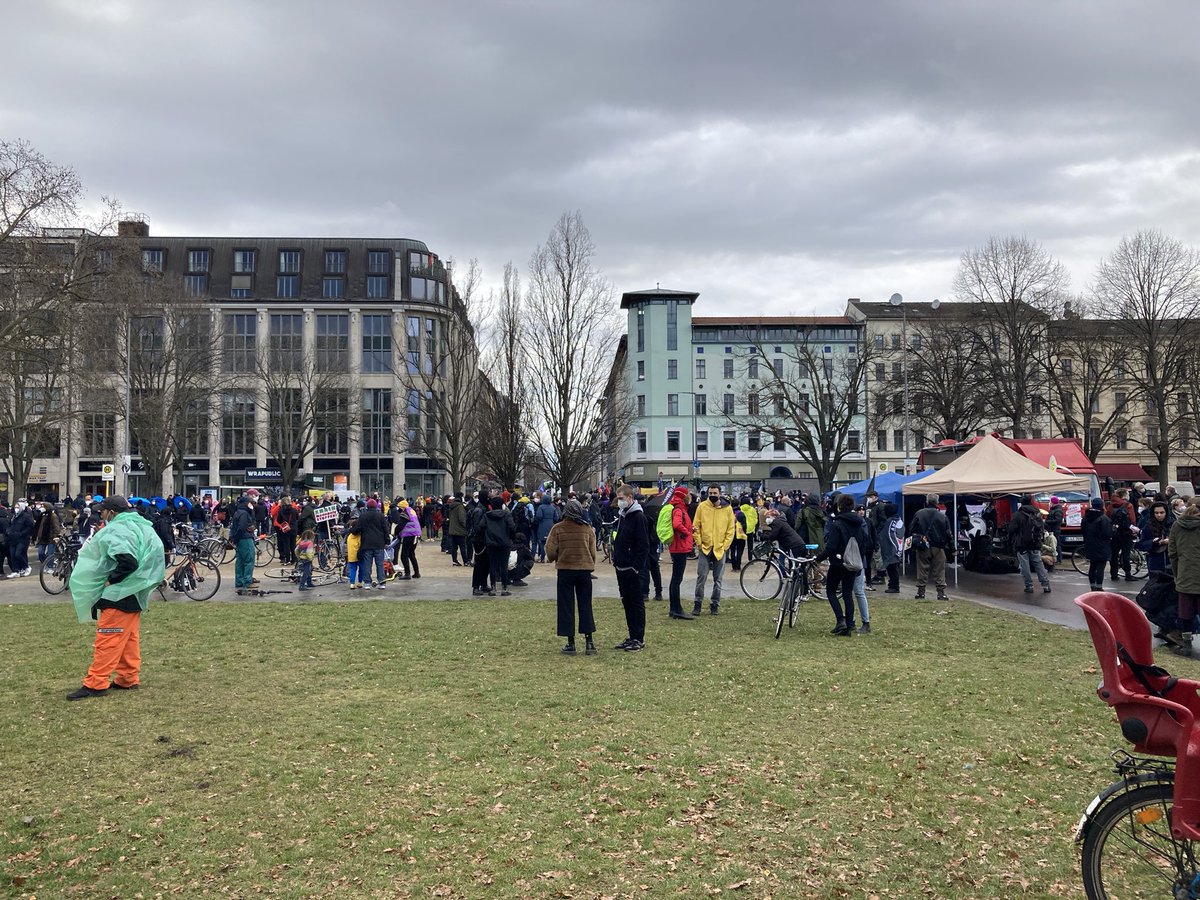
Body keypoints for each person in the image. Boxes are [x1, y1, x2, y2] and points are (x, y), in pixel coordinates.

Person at [65, 495, 166, 700]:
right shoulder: (142, 527)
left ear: (112, 512)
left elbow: (128, 561)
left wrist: (111, 580)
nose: (101, 514)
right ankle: (128, 677)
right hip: (135, 593)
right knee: (128, 638)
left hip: (119, 594)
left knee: (108, 638)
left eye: (103, 511)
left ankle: (96, 683)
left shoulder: (119, 529)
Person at [545, 499, 598, 655]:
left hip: (565, 570)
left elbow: (550, 552)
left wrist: (555, 557)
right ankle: (589, 642)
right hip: (584, 570)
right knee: (585, 605)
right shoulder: (587, 529)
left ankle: (571, 643)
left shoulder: (557, 529)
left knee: (566, 606)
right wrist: (589, 563)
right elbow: (592, 552)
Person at [813, 494, 863, 636]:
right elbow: (864, 542)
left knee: (831, 591)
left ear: (839, 506)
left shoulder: (837, 524)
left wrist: (818, 558)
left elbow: (831, 547)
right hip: (853, 561)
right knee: (848, 594)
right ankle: (849, 625)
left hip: (838, 562)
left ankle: (840, 619)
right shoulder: (859, 523)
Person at [612, 484, 649, 651]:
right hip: (621, 566)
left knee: (636, 602)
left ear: (629, 498)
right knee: (627, 602)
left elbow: (643, 545)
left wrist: (636, 567)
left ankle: (638, 638)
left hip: (632, 568)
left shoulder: (638, 517)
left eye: (621, 498)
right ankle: (632, 634)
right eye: (618, 498)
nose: (619, 502)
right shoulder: (622, 515)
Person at [692, 484, 735, 616]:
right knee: (701, 577)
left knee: (718, 579)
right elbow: (696, 526)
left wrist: (725, 546)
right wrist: (699, 543)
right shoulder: (702, 507)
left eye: (715, 493)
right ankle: (697, 604)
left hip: (720, 549)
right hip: (704, 548)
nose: (712, 495)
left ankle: (714, 604)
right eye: (710, 493)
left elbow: (730, 529)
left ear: (719, 494)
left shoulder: (727, 509)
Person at [1166, 503, 1200, 656]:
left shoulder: (1176, 525)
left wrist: (1177, 574)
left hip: (1185, 575)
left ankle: (1186, 644)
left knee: (1185, 612)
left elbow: (1172, 552)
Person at [909, 493, 950, 601]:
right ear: (937, 502)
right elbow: (948, 533)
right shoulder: (942, 516)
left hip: (923, 544)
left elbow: (912, 529)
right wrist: (953, 547)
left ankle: (921, 592)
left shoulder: (919, 513)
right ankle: (941, 593)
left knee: (922, 568)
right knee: (939, 570)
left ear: (927, 501)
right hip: (938, 546)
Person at [1008, 495, 1051, 595]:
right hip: (1035, 543)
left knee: (1025, 566)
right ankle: (1046, 585)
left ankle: (1029, 586)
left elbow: (1011, 529)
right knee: (1038, 563)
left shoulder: (1017, 514)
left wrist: (1010, 541)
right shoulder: (1037, 513)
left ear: (1021, 503)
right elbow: (1041, 527)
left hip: (1021, 543)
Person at [665, 486, 695, 620]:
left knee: (676, 579)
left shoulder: (678, 507)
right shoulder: (679, 509)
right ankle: (676, 609)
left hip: (678, 546)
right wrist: (687, 532)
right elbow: (677, 525)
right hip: (679, 547)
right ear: (683, 496)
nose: (690, 496)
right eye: (688, 494)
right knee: (677, 579)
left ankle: (674, 608)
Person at [350, 499, 390, 588]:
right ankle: (382, 582)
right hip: (379, 543)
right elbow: (385, 529)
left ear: (367, 506)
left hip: (366, 543)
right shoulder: (380, 516)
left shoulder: (363, 516)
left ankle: (367, 583)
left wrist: (351, 530)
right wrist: (387, 541)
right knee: (380, 564)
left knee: (367, 564)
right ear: (376, 506)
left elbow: (357, 529)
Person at [484, 496, 516, 596]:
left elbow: (481, 526)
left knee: (492, 566)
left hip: (491, 543)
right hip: (504, 542)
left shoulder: (487, 515)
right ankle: (504, 588)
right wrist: (511, 537)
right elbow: (512, 527)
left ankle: (493, 588)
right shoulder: (507, 515)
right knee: (504, 566)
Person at [1081, 497, 1112, 591]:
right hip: (1102, 545)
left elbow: (1083, 530)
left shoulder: (1086, 517)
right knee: (1101, 567)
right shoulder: (1104, 518)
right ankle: (1099, 586)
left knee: (1092, 566)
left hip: (1090, 544)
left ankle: (1092, 585)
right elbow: (1107, 533)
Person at [229, 493, 257, 595]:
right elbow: (242, 527)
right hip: (246, 538)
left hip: (240, 540)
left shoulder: (238, 512)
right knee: (249, 560)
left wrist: (234, 539)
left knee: (240, 561)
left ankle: (239, 582)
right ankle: (247, 582)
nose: (252, 505)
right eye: (250, 503)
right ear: (246, 503)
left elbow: (235, 527)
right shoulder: (245, 514)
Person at [1108, 488, 1136, 582]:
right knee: (1126, 554)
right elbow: (1132, 519)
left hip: (1114, 532)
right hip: (1126, 533)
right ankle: (1128, 574)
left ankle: (1114, 574)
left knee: (1114, 554)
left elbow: (1108, 517)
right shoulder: (1128, 505)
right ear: (1124, 495)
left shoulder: (1110, 505)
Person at [1138, 500, 1172, 573]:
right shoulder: (1148, 526)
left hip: (1171, 560)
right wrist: (1153, 542)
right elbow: (1141, 544)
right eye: (1156, 513)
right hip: (1155, 562)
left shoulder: (1173, 524)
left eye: (1162, 512)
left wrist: (1171, 541)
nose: (1159, 515)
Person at [5, 499, 34, 578]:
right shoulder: (13, 516)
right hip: (13, 538)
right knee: (12, 555)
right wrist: (9, 531)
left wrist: (22, 533)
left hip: (22, 539)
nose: (16, 508)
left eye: (18, 507)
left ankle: (26, 567)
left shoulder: (26, 516)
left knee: (18, 554)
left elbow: (30, 526)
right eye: (15, 507)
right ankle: (16, 570)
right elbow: (10, 525)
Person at [397, 499, 422, 579]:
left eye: (400, 508)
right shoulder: (412, 511)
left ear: (402, 507)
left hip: (409, 535)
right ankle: (417, 573)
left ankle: (407, 574)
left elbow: (401, 525)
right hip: (416, 534)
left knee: (403, 555)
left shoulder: (405, 513)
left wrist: (395, 532)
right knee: (411, 554)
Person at [273, 495, 298, 566]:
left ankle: (287, 560)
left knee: (286, 544)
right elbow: (297, 518)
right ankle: (294, 559)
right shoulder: (294, 510)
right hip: (293, 528)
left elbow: (279, 520)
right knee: (293, 544)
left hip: (285, 529)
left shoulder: (281, 510)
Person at [534, 496, 560, 563]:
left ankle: (542, 558)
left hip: (542, 525)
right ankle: (549, 558)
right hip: (551, 525)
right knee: (550, 542)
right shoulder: (553, 508)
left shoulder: (541, 507)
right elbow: (556, 518)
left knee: (542, 542)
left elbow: (539, 516)